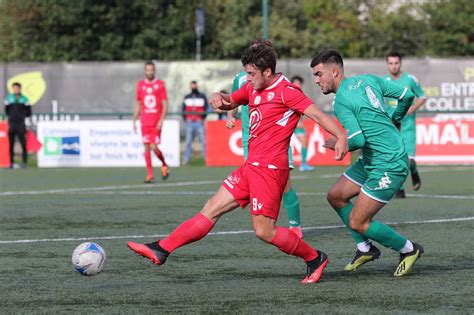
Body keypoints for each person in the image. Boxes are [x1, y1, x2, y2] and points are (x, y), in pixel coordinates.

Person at [128, 40, 348, 284]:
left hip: (270, 170)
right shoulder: (252, 87)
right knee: (211, 207)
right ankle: (162, 249)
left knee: (264, 231)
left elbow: (317, 114)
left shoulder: (287, 91)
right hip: (250, 167)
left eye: (251, 73)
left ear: (267, 71)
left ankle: (315, 257)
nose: (248, 78)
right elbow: (229, 100)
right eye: (246, 73)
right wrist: (217, 97)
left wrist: (341, 137)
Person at [310, 49, 424, 277]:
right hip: (372, 158)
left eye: (319, 74)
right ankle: (365, 248)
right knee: (336, 196)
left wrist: (341, 143)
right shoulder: (369, 79)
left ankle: (409, 249)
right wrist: (396, 119)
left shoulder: (340, 101)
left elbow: (358, 139)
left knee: (358, 222)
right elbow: (407, 96)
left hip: (389, 163)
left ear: (335, 71)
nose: (316, 80)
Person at [226, 69, 304, 238]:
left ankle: (295, 225)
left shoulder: (278, 80)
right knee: (253, 185)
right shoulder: (240, 78)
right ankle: (264, 225)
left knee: (285, 185)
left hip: (275, 141)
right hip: (250, 141)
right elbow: (233, 99)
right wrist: (230, 116)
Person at [384, 52, 427, 198]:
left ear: (400, 64)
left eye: (396, 63)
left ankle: (413, 171)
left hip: (407, 126)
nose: (393, 66)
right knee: (395, 158)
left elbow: (422, 96)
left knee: (408, 160)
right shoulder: (384, 81)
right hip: (392, 126)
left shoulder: (409, 79)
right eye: (390, 63)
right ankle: (399, 188)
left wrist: (412, 108)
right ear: (387, 64)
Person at [133, 61, 169, 183]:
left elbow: (165, 104)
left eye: (151, 70)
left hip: (155, 122)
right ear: (144, 71)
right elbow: (138, 103)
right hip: (144, 122)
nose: (149, 72)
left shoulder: (160, 84)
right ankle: (150, 175)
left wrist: (161, 120)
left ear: (154, 70)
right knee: (146, 147)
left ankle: (164, 164)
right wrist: (134, 119)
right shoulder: (140, 85)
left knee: (154, 147)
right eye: (147, 70)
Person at [4, 82, 31, 169]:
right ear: (12, 89)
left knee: (23, 143)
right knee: (11, 144)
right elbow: (7, 111)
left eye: (17, 88)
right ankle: (11, 163)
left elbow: (28, 112)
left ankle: (24, 162)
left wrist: (21, 117)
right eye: (14, 88)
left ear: (20, 88)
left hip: (21, 124)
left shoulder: (25, 99)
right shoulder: (9, 98)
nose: (16, 89)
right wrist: (12, 118)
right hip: (12, 124)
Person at [291, 75, 315, 172]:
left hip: (296, 122)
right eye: (296, 83)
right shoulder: (290, 93)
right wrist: (296, 122)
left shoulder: (299, 94)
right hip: (290, 123)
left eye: (299, 84)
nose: (298, 85)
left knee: (304, 141)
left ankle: (303, 164)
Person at [182, 81, 208, 165]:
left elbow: (206, 108)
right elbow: (183, 109)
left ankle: (206, 159)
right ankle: (186, 160)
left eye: (194, 85)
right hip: (190, 122)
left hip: (199, 122)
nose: (193, 87)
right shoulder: (187, 97)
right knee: (188, 142)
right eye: (192, 86)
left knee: (203, 141)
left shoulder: (202, 96)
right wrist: (186, 118)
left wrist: (202, 118)